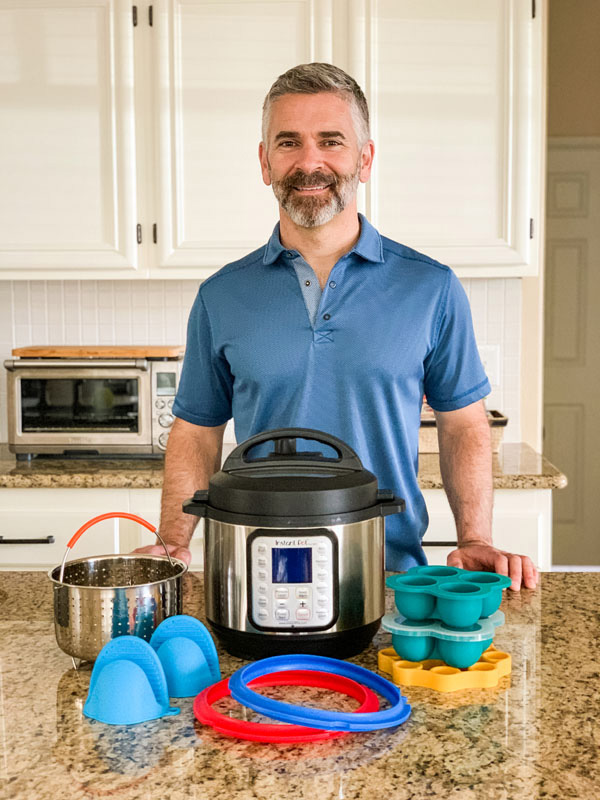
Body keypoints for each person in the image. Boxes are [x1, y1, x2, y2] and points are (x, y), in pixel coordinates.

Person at [137, 63, 537, 591]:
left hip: (390, 575)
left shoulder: (431, 288)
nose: (310, 162)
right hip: (254, 576)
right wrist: (175, 539)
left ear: (365, 159)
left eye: (331, 141)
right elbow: (196, 431)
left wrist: (476, 539)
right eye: (288, 143)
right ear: (265, 162)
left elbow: (463, 423)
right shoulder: (221, 296)